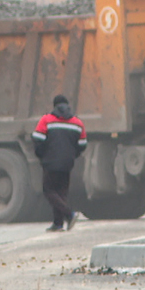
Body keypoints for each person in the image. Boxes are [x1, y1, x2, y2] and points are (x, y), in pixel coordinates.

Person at [32, 94, 87, 232]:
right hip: (67, 163)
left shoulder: (46, 120)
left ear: (54, 105)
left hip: (50, 162)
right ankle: (58, 224)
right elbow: (82, 144)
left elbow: (37, 138)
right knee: (61, 193)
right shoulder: (77, 123)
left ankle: (70, 214)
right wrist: (73, 155)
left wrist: (41, 155)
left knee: (49, 190)